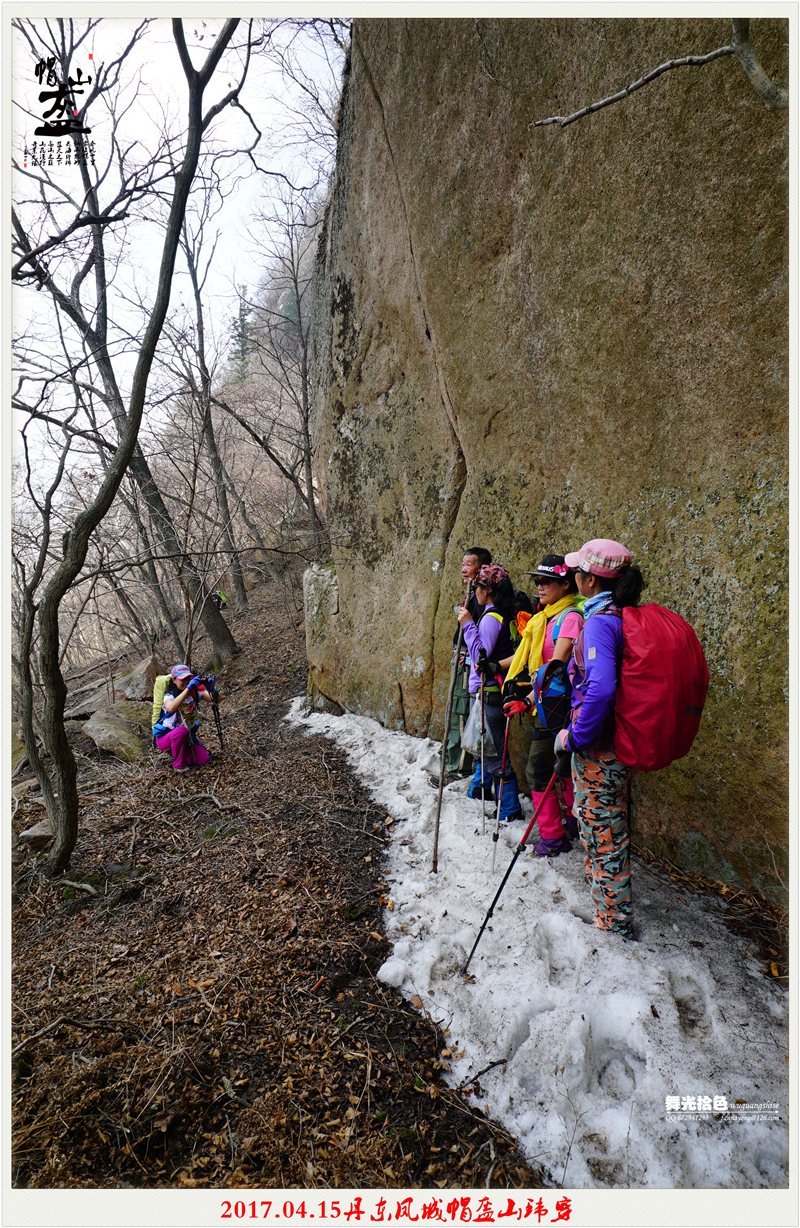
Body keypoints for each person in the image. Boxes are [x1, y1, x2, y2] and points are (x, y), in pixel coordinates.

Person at [554, 539, 644, 938]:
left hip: (600, 749)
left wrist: (574, 738)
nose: (574, 577)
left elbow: (601, 689)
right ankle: (609, 910)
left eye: (577, 573)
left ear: (589, 580)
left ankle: (613, 922)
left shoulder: (599, 623)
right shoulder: (624, 615)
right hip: (619, 742)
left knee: (601, 830)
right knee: (608, 826)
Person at [503, 555, 584, 856]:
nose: (540, 586)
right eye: (537, 580)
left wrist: (527, 698)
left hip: (560, 708)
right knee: (561, 769)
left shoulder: (570, 617)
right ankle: (575, 823)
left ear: (566, 584)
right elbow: (534, 661)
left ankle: (553, 837)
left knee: (538, 768)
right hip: (547, 705)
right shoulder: (544, 618)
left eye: (546, 581)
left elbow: (556, 667)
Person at [456, 564, 522, 822]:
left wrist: (468, 625)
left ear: (486, 590)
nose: (474, 592)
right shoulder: (495, 615)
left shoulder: (491, 619)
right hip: (491, 691)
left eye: (477, 588)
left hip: (490, 693)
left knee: (493, 754)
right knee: (487, 749)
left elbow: (481, 656)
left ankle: (509, 809)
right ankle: (502, 803)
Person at [444, 547, 492, 780]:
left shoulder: (483, 597)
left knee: (462, 712)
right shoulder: (471, 593)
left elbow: (479, 637)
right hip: (459, 659)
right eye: (462, 564)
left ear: (481, 568)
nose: (463, 569)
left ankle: (460, 768)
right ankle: (451, 761)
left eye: (469, 564)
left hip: (468, 664)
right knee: (454, 710)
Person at [153, 664, 215, 772]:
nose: (186, 682)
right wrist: (188, 689)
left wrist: (212, 690)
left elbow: (216, 699)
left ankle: (181, 752)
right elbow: (171, 708)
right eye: (182, 679)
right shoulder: (169, 696)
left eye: (188, 678)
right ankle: (178, 765)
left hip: (186, 738)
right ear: (174, 680)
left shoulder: (194, 693)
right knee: (181, 731)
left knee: (203, 759)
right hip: (166, 738)